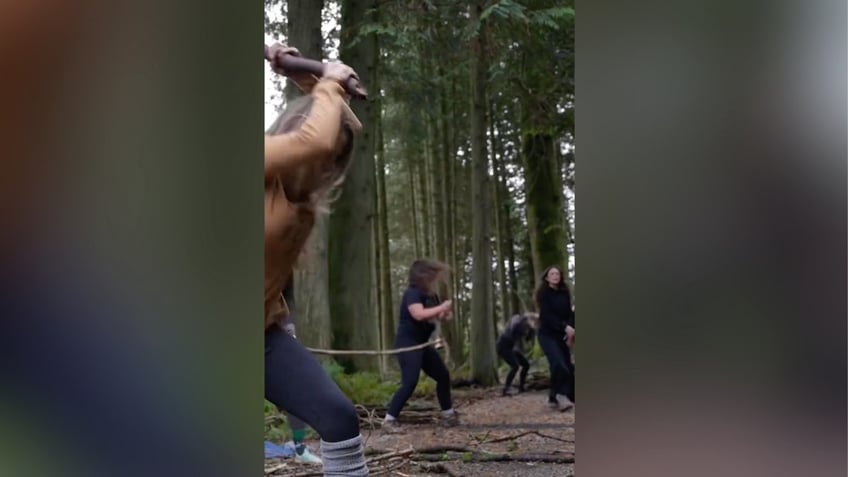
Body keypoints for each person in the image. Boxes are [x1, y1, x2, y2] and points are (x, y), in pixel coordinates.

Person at [263, 44, 368, 476]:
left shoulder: (303, 201)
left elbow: (344, 129)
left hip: (260, 337)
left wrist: (308, 78)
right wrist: (326, 83)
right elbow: (318, 138)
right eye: (323, 159)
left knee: (338, 419)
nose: (326, 166)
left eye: (333, 163)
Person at [383, 260, 458, 432]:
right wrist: (441, 307)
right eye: (433, 276)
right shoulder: (413, 293)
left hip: (423, 343)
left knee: (442, 376)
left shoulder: (432, 296)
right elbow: (418, 314)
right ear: (423, 276)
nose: (435, 280)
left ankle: (448, 415)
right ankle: (389, 420)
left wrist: (445, 313)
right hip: (408, 343)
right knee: (410, 382)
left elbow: (438, 317)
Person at [279, 282, 322, 465]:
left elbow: (287, 296)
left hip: (275, 336)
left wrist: (289, 325)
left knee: (295, 388)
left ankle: (299, 448)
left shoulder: (283, 264)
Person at [534, 266, 575, 411]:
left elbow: (569, 313)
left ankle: (553, 397)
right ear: (546, 277)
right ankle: (561, 396)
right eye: (552, 274)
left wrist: (570, 330)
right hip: (547, 335)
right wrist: (564, 327)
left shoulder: (564, 293)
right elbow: (547, 316)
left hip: (562, 335)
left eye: (557, 273)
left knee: (567, 367)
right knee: (559, 364)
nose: (555, 276)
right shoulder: (543, 294)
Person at [496, 312, 537, 396]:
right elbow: (513, 328)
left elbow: (527, 339)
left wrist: (532, 330)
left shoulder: (526, 326)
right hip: (503, 346)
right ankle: (506, 388)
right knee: (515, 366)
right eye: (532, 321)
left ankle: (521, 387)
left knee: (526, 365)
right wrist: (527, 323)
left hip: (511, 347)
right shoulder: (518, 319)